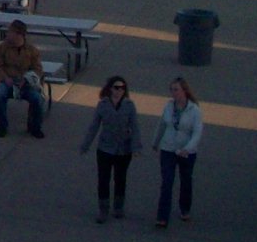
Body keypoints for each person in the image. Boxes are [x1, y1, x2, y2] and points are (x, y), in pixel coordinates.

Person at [80, 75, 142, 222]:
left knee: (120, 179)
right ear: (110, 88)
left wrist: (136, 147)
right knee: (103, 179)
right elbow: (94, 126)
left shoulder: (129, 106)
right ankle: (103, 210)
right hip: (105, 148)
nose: (119, 91)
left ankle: (118, 207)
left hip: (123, 150)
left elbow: (135, 127)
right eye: (116, 87)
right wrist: (86, 145)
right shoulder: (103, 105)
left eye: (122, 88)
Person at [153, 77, 203, 226]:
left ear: (184, 91)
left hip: (187, 151)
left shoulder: (194, 110)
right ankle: (162, 217)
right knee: (167, 182)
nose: (173, 93)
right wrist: (155, 142)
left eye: (176, 89)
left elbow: (197, 132)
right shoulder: (169, 106)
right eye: (172, 89)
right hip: (168, 148)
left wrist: (187, 149)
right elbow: (162, 124)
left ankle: (185, 208)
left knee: (186, 180)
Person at [0, 20, 46, 138]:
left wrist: (26, 80)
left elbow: (38, 69)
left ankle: (35, 127)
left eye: (10, 31)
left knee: (37, 99)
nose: (7, 34)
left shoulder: (31, 50)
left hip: (25, 84)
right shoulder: (4, 47)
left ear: (18, 34)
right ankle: (2, 125)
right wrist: (5, 78)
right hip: (8, 81)